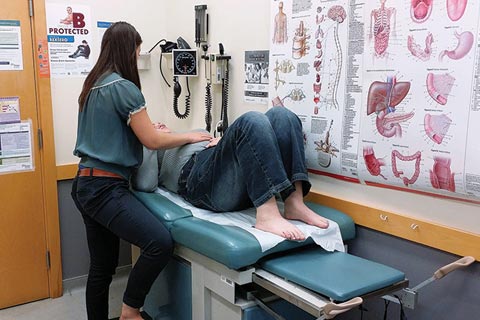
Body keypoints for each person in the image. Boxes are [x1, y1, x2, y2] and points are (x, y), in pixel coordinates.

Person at [70, 21, 212, 320]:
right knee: (159, 243)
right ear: (128, 51)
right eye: (136, 52)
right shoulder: (124, 88)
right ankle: (130, 311)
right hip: (105, 188)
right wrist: (190, 135)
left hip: (83, 182)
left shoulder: (93, 84)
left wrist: (148, 131)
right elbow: (152, 140)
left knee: (102, 267)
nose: (136, 58)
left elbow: (115, 134)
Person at [141, 106, 330, 241]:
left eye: (157, 123)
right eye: (152, 127)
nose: (156, 124)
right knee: (251, 120)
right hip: (199, 181)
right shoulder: (155, 149)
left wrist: (224, 141)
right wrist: (152, 142)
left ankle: (294, 202)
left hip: (230, 173)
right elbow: (145, 183)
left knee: (282, 115)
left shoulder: (187, 133)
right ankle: (267, 215)